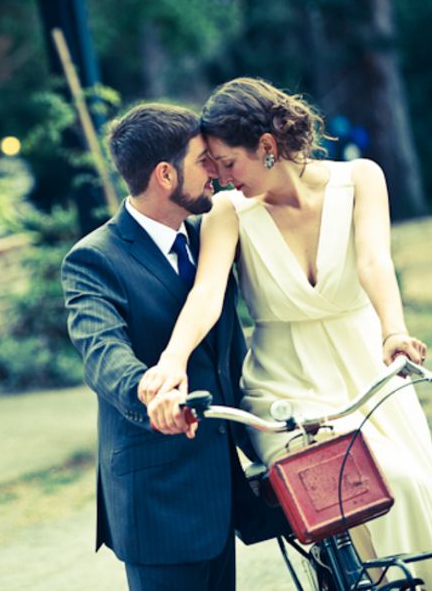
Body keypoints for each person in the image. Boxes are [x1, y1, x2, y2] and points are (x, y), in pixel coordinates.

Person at [140, 77, 432, 590]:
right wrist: (172, 361)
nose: (222, 180)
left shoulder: (360, 178)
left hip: (369, 372)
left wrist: (394, 331)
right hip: (284, 387)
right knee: (348, 494)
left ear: (268, 147)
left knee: (408, 486)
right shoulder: (230, 212)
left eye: (228, 163)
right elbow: (206, 294)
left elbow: (373, 261)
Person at [61, 103, 284, 591]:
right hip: (157, 500)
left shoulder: (209, 238)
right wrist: (151, 390)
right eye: (203, 159)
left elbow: (228, 356)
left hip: (220, 492)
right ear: (165, 175)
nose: (216, 171)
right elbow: (102, 354)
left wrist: (271, 442)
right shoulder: (94, 259)